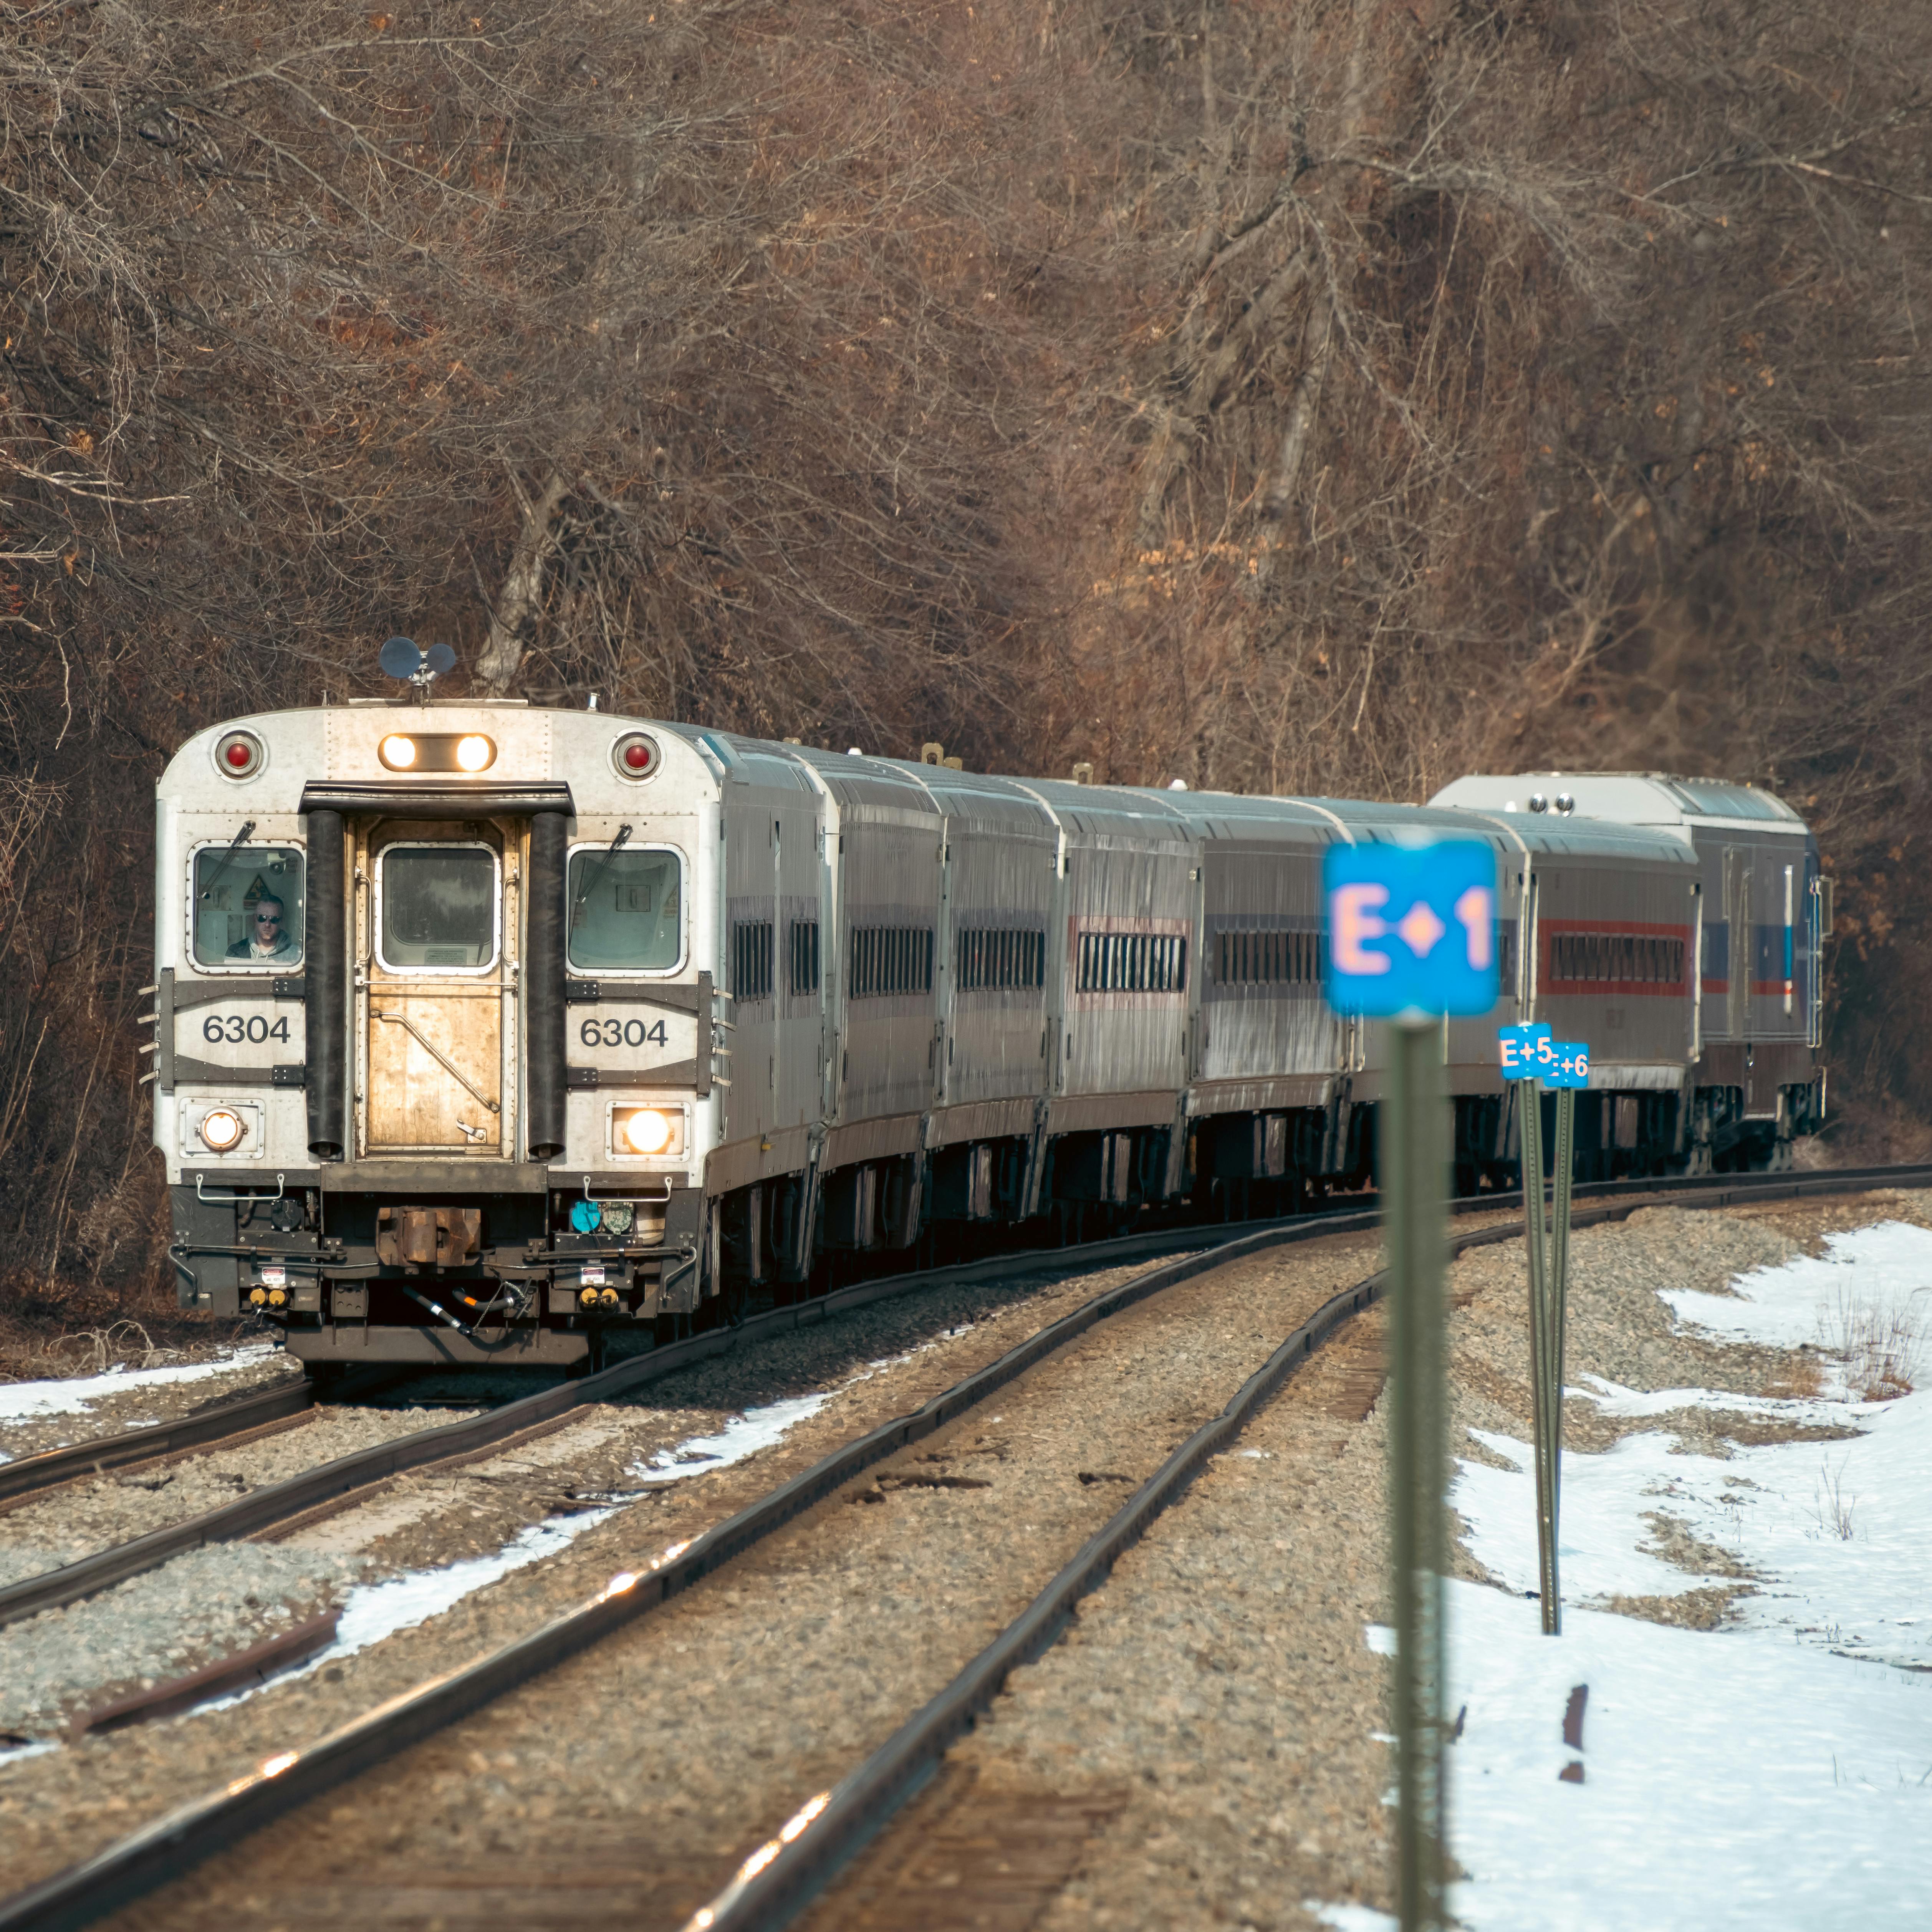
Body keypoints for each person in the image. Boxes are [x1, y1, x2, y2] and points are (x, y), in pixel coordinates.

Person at [228, 896, 299, 962]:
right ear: (255, 919)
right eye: (262, 918)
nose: (267, 924)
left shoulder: (296, 955)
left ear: (281, 922)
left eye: (274, 919)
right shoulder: (235, 952)